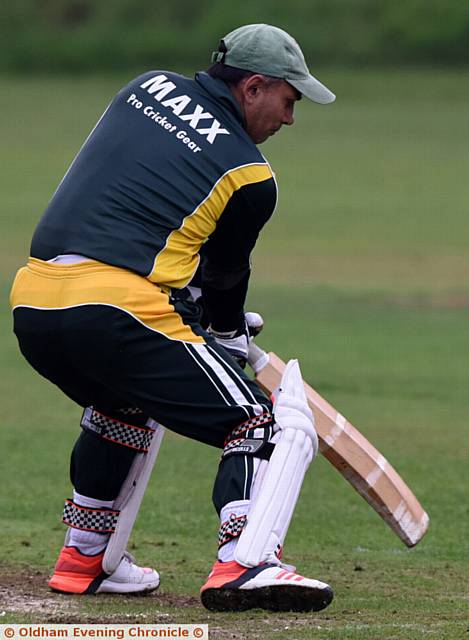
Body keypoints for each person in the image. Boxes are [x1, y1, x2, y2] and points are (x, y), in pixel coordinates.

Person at [10, 23, 335, 613]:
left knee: (123, 404)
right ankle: (245, 561)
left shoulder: (145, 86)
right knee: (260, 424)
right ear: (255, 87)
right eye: (289, 101)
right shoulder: (250, 174)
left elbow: (135, 198)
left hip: (35, 301)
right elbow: (224, 276)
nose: (289, 119)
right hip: (116, 307)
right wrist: (229, 341)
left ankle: (85, 558)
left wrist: (191, 315)